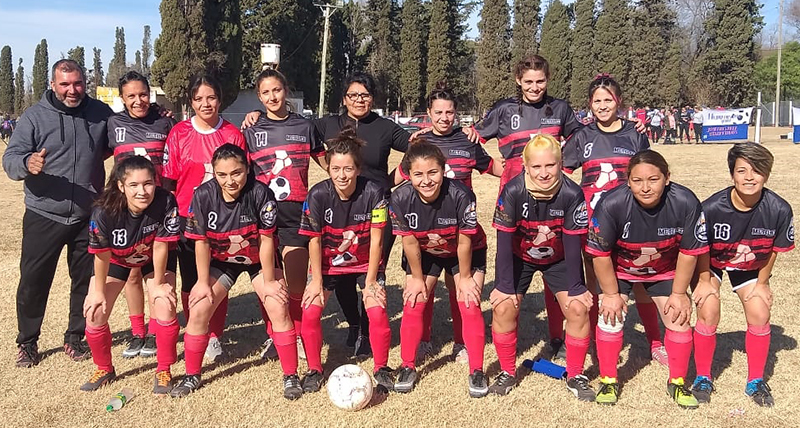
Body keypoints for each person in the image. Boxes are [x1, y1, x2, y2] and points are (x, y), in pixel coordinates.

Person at [3, 59, 113, 367]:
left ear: (84, 83)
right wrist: (27, 164)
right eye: (65, 84)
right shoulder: (35, 117)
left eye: (77, 83)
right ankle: (27, 342)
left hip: (86, 215)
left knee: (86, 280)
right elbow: (11, 156)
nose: (72, 90)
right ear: (53, 85)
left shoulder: (100, 113)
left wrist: (160, 115)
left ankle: (76, 337)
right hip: (44, 214)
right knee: (34, 281)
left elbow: (127, 129)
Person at [472, 55, 583, 358]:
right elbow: (472, 138)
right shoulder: (504, 109)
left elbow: (583, 136)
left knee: (552, 255)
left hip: (553, 190)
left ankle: (557, 339)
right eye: (529, 81)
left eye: (541, 81)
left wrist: (567, 168)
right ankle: (509, 337)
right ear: (519, 81)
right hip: (515, 193)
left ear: (548, 80)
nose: (535, 87)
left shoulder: (560, 109)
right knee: (516, 251)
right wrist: (496, 168)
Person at [170, 144, 297, 398]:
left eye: (236, 173)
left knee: (277, 304)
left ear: (248, 170)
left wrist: (270, 280)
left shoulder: (261, 193)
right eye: (222, 175)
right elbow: (201, 242)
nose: (230, 180)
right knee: (199, 309)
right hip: (222, 260)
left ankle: (291, 376)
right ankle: (192, 375)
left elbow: (266, 239)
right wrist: (203, 283)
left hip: (257, 259)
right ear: (214, 173)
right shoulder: (203, 196)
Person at [587, 150, 708, 409]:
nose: (645, 188)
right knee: (610, 317)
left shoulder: (685, 201)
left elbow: (689, 253)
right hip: (619, 270)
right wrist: (610, 295)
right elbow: (600, 255)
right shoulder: (611, 203)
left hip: (663, 269)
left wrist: (678, 294)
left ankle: (676, 382)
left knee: (679, 318)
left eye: (653, 179)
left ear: (667, 178)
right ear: (627, 181)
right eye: (637, 180)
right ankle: (609, 379)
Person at [562, 74, 666, 366]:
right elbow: (563, 174)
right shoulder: (582, 136)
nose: (603, 106)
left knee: (641, 279)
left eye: (608, 100)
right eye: (597, 101)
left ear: (618, 102)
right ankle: (597, 337)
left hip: (631, 220)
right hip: (592, 222)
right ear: (590, 104)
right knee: (594, 279)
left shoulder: (635, 134)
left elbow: (648, 173)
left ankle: (655, 342)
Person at [395, 82, 502, 365]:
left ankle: (460, 343)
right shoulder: (419, 143)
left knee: (459, 290)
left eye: (450, 112)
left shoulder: (468, 140)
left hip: (460, 232)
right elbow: (398, 177)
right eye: (438, 112)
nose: (444, 118)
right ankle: (424, 341)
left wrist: (524, 170)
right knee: (424, 291)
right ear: (428, 113)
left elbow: (491, 166)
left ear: (456, 113)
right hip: (426, 232)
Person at [690, 143, 794, 407]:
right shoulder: (712, 207)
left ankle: (755, 381)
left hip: (749, 266)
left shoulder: (779, 209)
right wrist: (703, 281)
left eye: (757, 171)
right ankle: (703, 376)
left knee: (760, 311)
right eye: (742, 171)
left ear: (767, 174)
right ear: (732, 174)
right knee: (709, 308)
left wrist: (762, 283)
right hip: (710, 263)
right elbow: (699, 246)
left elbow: (774, 251)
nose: (749, 177)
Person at [489, 134, 591, 398]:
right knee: (503, 307)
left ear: (560, 164)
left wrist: (577, 287)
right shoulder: (512, 191)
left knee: (578, 308)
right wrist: (505, 287)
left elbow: (571, 246)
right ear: (525, 166)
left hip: (557, 258)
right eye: (536, 166)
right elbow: (503, 243)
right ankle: (508, 372)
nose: (544, 173)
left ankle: (576, 374)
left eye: (550, 165)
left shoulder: (572, 192)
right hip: (519, 257)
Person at [389, 141, 488, 397]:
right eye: (418, 174)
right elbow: (409, 241)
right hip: (425, 250)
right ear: (408, 175)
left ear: (444, 170)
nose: (426, 180)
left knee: (469, 300)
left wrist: (465, 278)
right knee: (414, 300)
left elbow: (465, 240)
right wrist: (417, 278)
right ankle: (408, 365)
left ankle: (477, 370)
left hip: (463, 249)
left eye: (432, 172)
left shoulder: (461, 195)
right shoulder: (399, 198)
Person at [298, 130, 393, 394]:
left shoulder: (375, 192)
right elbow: (314, 241)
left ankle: (382, 368)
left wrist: (372, 280)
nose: (342, 175)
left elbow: (377, 240)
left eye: (348, 168)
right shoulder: (317, 195)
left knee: (377, 309)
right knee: (311, 311)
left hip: (365, 263)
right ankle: (315, 370)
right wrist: (316, 281)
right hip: (327, 265)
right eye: (336, 168)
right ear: (328, 167)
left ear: (358, 169)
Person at [162, 73, 246, 363]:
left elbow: (243, 178)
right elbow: (169, 181)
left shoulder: (232, 135)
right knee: (191, 280)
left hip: (224, 223)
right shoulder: (179, 134)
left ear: (220, 99)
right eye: (198, 98)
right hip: (188, 220)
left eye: (211, 97)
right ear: (190, 102)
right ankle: (194, 327)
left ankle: (214, 336)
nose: (205, 103)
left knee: (215, 280)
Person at [243, 69, 325, 360]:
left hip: (296, 211)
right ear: (259, 96)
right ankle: (275, 334)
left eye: (276, 90)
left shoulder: (305, 126)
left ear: (285, 90)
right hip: (262, 213)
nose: (272, 96)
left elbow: (328, 163)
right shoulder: (251, 130)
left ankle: (299, 334)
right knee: (268, 280)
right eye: (265, 92)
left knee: (295, 281)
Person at [80, 156, 181, 394]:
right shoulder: (103, 211)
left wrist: (158, 285)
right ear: (120, 186)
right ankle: (104, 368)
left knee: (165, 305)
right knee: (95, 311)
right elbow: (101, 255)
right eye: (134, 185)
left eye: (148, 183)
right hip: (117, 259)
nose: (142, 191)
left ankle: (164, 369)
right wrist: (97, 292)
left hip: (153, 257)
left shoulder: (166, 201)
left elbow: (160, 246)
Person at [107, 70, 176, 359]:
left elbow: (174, 161)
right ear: (122, 98)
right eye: (131, 96)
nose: (138, 100)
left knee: (159, 272)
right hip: (126, 208)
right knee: (132, 273)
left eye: (143, 94)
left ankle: (159, 331)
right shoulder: (112, 124)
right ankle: (138, 333)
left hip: (157, 205)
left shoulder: (165, 121)